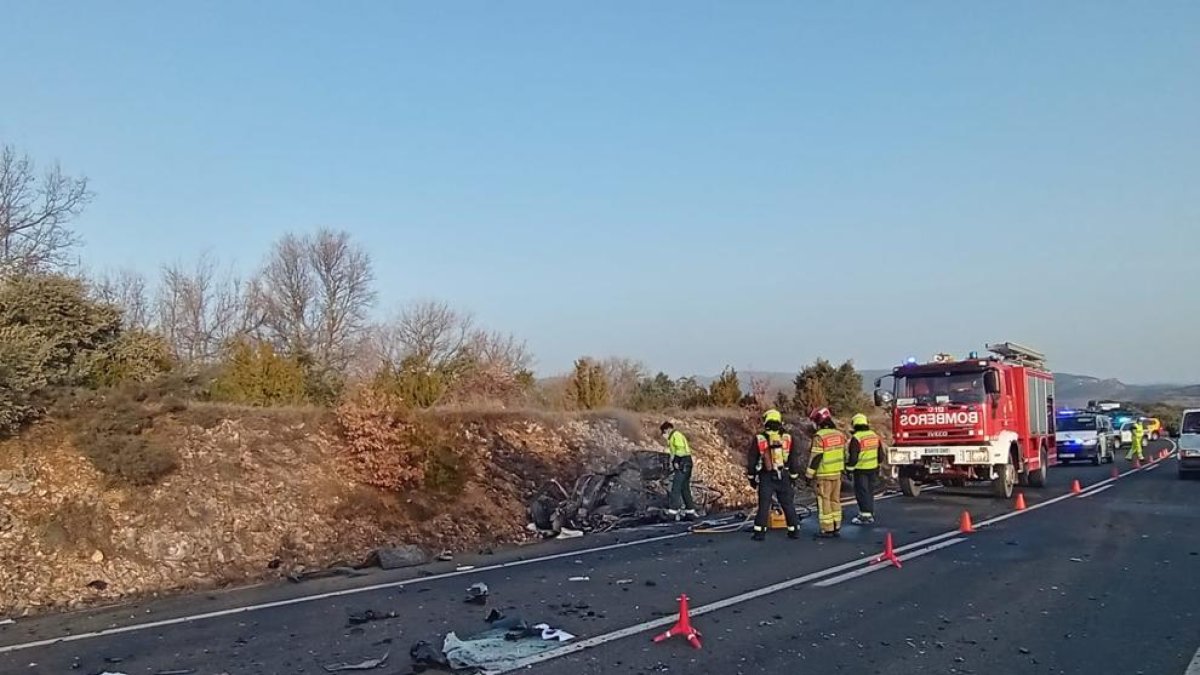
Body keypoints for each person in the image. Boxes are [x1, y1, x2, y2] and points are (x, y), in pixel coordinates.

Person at [745, 409, 801, 540]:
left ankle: (759, 533)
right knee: (788, 504)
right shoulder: (787, 438)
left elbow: (752, 460)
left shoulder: (759, 439)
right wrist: (793, 477)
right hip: (784, 474)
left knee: (764, 505)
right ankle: (794, 530)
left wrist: (752, 478)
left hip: (766, 476)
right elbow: (793, 460)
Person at [805, 407, 847, 538]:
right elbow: (844, 454)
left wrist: (809, 475)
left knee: (824, 501)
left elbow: (816, 457)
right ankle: (836, 526)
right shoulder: (839, 435)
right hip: (837, 473)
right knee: (835, 500)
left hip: (823, 474)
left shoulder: (819, 437)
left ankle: (827, 528)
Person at [846, 413, 882, 525]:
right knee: (869, 491)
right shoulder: (874, 435)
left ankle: (865, 515)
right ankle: (870, 512)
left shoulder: (856, 438)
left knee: (862, 492)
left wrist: (849, 469)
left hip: (861, 470)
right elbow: (881, 455)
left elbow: (853, 457)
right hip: (873, 468)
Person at [660, 421, 697, 520]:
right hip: (687, 462)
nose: (664, 434)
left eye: (664, 432)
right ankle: (690, 512)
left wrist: (676, 461)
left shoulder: (675, 435)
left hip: (682, 462)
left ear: (667, 429)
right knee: (685, 488)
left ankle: (672, 513)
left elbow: (680, 449)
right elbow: (676, 449)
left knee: (676, 488)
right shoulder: (677, 435)